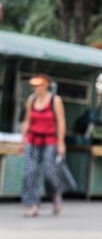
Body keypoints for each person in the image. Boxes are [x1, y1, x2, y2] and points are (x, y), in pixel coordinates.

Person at [20, 74, 66, 217]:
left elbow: (61, 122)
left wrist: (61, 142)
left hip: (50, 141)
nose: (35, 88)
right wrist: (23, 140)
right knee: (30, 172)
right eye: (33, 86)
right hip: (32, 140)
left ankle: (56, 194)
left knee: (50, 172)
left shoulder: (55, 100)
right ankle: (33, 205)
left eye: (38, 85)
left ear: (46, 85)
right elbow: (27, 120)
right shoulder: (31, 99)